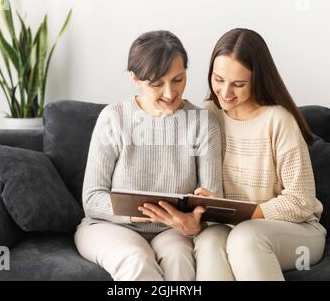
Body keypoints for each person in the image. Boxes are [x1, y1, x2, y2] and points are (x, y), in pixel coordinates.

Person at [74, 30, 222, 281]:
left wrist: (197, 222)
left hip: (172, 231)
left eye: (178, 79)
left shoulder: (202, 122)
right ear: (134, 78)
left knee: (179, 262)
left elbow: (211, 198)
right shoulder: (115, 117)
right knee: (137, 258)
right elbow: (92, 198)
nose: (170, 93)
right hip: (110, 227)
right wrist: (134, 211)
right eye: (156, 84)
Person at [182, 28, 326, 280]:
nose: (225, 92)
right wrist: (205, 205)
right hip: (228, 227)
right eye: (218, 79)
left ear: (258, 79)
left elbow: (301, 202)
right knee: (209, 243)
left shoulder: (278, 120)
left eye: (238, 84)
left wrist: (244, 214)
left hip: (296, 230)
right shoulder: (207, 116)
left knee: (245, 237)